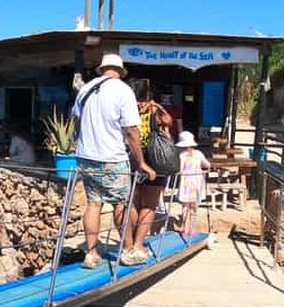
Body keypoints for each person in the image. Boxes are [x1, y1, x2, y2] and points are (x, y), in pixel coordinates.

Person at [73, 54, 156, 269]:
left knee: (93, 203)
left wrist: (81, 142)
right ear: (120, 71)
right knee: (121, 203)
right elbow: (131, 131)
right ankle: (129, 251)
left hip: (87, 156)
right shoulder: (123, 91)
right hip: (112, 157)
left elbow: (76, 120)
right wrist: (141, 162)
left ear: (102, 69)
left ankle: (91, 254)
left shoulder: (86, 89)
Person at [123, 79, 173, 266]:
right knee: (149, 205)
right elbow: (168, 122)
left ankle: (130, 244)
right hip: (154, 160)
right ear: (148, 95)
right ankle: (138, 244)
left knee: (133, 203)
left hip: (132, 159)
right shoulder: (153, 111)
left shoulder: (127, 111)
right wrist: (158, 107)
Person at [176, 131, 210, 236]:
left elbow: (180, 170)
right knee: (194, 207)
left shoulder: (182, 155)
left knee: (185, 206)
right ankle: (192, 228)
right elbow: (207, 164)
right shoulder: (198, 154)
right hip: (197, 182)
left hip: (186, 182)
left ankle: (185, 229)